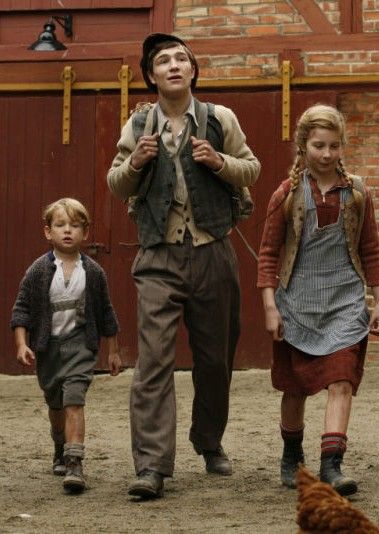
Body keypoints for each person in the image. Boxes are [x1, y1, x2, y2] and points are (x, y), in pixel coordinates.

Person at [107, 32, 260, 499]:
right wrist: (135, 162)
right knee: (153, 361)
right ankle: (151, 466)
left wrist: (219, 162)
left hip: (213, 249)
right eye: (163, 61)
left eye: (181, 59)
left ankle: (209, 441)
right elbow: (116, 183)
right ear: (151, 76)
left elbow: (251, 168)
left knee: (215, 359)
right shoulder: (139, 124)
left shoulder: (219, 118)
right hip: (158, 254)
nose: (173, 66)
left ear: (193, 70)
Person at [257, 104, 379, 496]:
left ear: (342, 145)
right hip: (297, 305)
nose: (327, 154)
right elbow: (268, 254)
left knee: (342, 380)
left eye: (334, 146)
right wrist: (271, 307)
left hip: (345, 302)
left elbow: (371, 250)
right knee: (295, 388)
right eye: (318, 146)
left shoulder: (357, 194)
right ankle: (292, 454)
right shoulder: (287, 195)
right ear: (303, 146)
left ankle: (332, 465)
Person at [11, 198, 121, 493]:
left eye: (75, 225)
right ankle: (59, 445)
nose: (68, 231)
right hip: (48, 348)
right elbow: (21, 309)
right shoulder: (38, 271)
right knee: (56, 403)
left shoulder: (94, 273)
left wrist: (113, 351)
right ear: (48, 232)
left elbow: (106, 313)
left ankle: (74, 463)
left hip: (80, 345)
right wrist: (21, 344)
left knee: (74, 399)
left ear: (85, 232)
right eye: (60, 225)